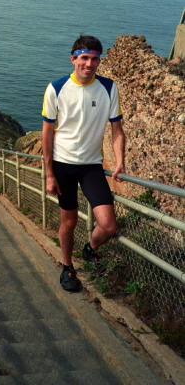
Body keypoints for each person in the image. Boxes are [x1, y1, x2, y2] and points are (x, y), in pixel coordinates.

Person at [42, 35, 125, 292]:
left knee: (109, 225)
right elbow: (47, 133)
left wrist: (120, 161)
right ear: (73, 59)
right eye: (84, 58)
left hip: (92, 165)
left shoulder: (109, 88)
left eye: (95, 58)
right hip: (63, 165)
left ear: (100, 61)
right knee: (69, 221)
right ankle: (67, 268)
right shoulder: (56, 88)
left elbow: (117, 131)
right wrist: (49, 174)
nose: (89, 63)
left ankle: (90, 248)